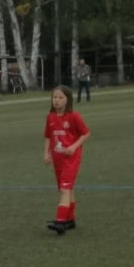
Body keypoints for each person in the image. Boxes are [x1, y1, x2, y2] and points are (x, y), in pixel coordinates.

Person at [44, 86, 91, 234]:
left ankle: (60, 221)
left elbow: (86, 133)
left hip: (71, 160)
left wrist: (73, 146)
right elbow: (48, 136)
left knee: (65, 189)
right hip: (58, 160)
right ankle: (70, 220)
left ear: (67, 100)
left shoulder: (74, 116)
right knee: (66, 189)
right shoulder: (50, 117)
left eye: (60, 97)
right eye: (55, 97)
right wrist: (46, 153)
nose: (57, 100)